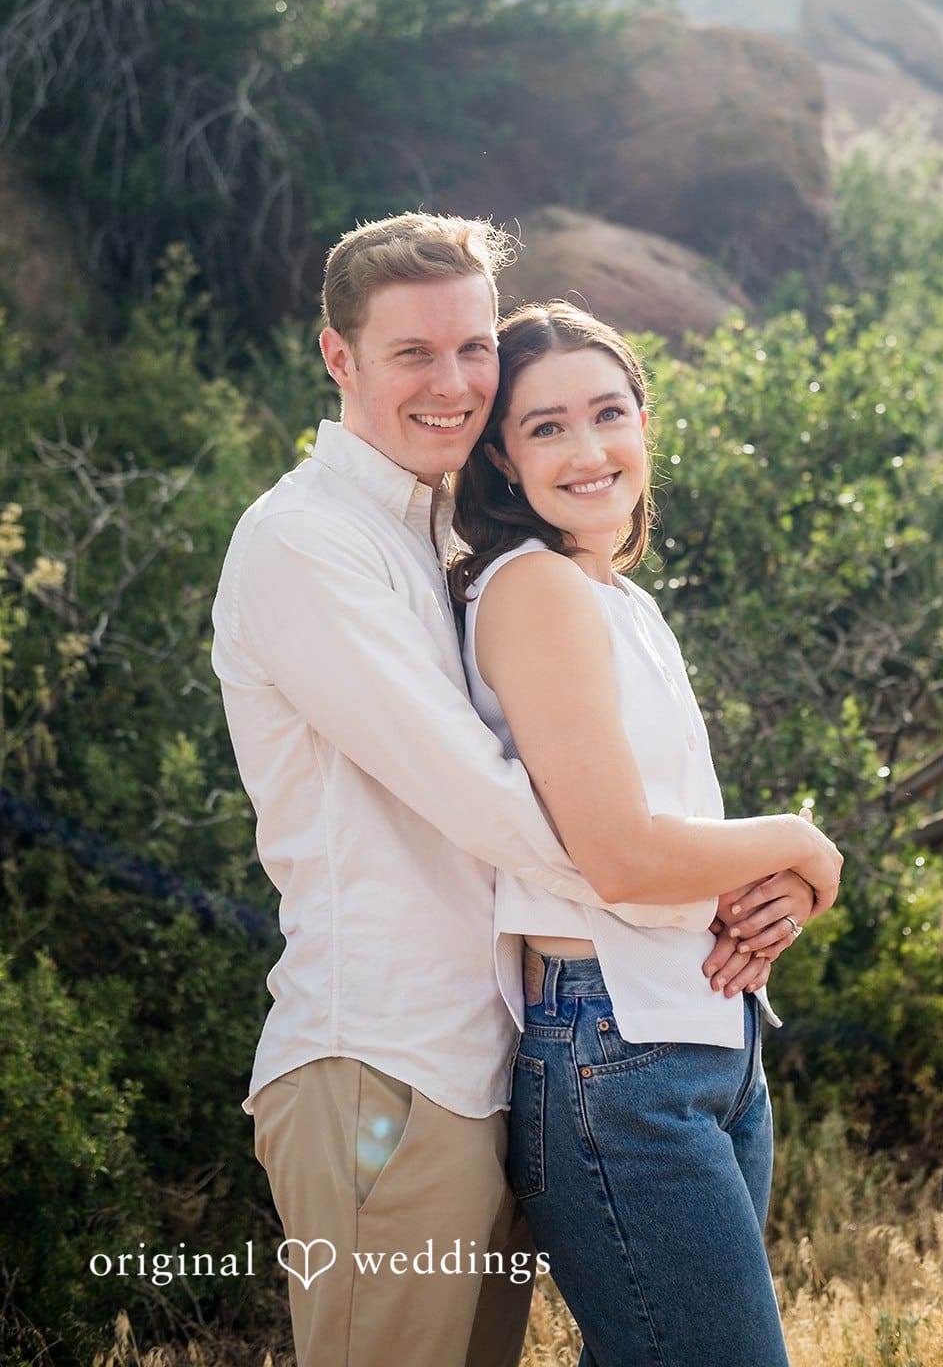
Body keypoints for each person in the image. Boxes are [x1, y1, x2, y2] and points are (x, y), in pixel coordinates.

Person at [211, 213, 839, 1367]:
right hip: (382, 1063)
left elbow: (592, 796)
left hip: (496, 1052)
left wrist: (732, 881)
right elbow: (502, 803)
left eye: (471, 349)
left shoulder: (450, 536)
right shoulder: (307, 541)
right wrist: (734, 868)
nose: (450, 382)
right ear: (337, 358)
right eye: (411, 352)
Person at [451, 300, 837, 1366]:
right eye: (545, 427)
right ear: (500, 456)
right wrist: (799, 840)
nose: (587, 449)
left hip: (706, 1035)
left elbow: (675, 833)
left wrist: (779, 893)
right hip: (615, 1055)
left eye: (607, 412)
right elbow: (617, 853)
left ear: (644, 421)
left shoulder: (616, 596)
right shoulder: (532, 588)